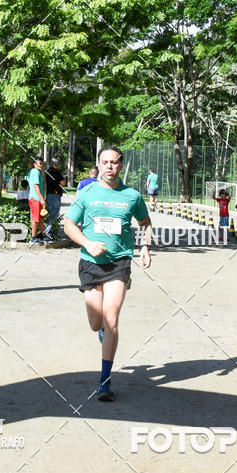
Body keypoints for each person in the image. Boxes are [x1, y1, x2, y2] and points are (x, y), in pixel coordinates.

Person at [64, 145, 152, 401]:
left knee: (111, 318)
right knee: (96, 323)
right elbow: (69, 224)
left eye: (114, 162)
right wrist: (87, 243)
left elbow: (145, 223)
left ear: (121, 165)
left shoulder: (132, 196)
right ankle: (103, 331)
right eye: (105, 162)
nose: (109, 167)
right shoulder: (87, 193)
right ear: (99, 164)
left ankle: (105, 381)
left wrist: (145, 247)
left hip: (119, 263)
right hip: (91, 263)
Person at [45, 157, 66, 242]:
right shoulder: (56, 172)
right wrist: (64, 177)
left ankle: (47, 233)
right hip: (55, 195)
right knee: (53, 215)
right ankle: (48, 235)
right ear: (58, 164)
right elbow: (63, 183)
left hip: (48, 195)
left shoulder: (47, 171)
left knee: (49, 214)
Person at [27, 157, 47, 245]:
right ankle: (33, 238)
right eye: (40, 163)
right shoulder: (35, 172)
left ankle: (44, 236)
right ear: (35, 164)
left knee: (40, 219)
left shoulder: (31, 171)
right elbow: (36, 186)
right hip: (36, 198)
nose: (42, 165)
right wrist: (42, 198)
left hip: (34, 198)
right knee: (35, 219)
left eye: (42, 163)